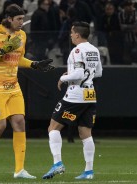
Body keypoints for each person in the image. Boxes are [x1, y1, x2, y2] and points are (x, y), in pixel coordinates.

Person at [0, 4, 54, 179]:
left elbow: (17, 59)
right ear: (9, 19)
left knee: (19, 122)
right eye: (19, 19)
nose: (22, 22)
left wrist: (34, 64)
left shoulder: (21, 35)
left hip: (13, 85)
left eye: (23, 19)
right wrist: (3, 49)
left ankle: (19, 170)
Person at [42, 21, 103, 180]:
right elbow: (98, 73)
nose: (70, 35)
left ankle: (57, 163)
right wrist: (76, 73)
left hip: (75, 96)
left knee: (53, 127)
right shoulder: (94, 50)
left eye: (71, 32)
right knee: (85, 133)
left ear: (77, 34)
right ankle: (89, 171)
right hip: (90, 95)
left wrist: (63, 77)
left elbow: (78, 75)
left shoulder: (77, 50)